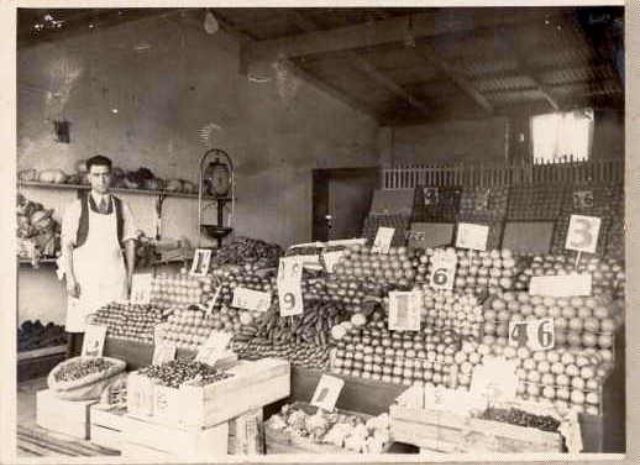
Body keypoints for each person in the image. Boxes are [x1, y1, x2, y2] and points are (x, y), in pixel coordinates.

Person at [61, 155, 137, 357]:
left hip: (114, 279)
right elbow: (66, 245)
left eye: (105, 175)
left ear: (111, 176)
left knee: (115, 330)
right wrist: (70, 278)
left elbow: (130, 243)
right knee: (85, 331)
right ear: (88, 177)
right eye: (96, 175)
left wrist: (129, 278)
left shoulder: (122, 207)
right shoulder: (76, 207)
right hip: (86, 282)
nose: (101, 180)